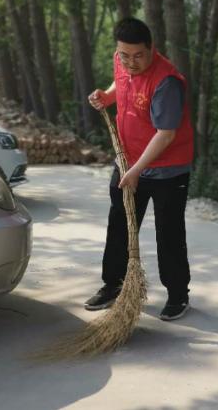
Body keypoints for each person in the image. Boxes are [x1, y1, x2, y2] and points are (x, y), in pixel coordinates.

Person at [86, 17, 194, 321]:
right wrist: (105, 97)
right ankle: (113, 285)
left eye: (139, 56)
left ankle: (177, 295)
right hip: (127, 159)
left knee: (168, 232)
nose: (131, 63)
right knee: (119, 222)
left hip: (167, 170)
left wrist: (136, 171)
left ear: (152, 49)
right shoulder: (122, 61)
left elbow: (166, 134)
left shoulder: (167, 82)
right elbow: (121, 86)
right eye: (125, 55)